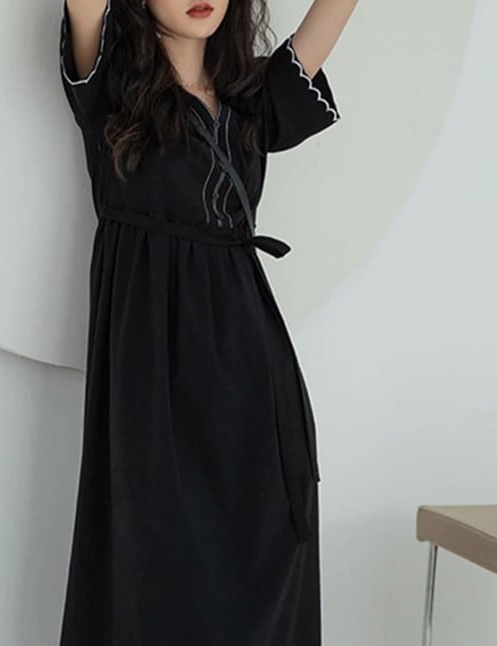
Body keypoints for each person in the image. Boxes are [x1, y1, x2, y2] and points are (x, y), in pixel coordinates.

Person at [57, 0, 355, 643]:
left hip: (254, 383)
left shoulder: (251, 100)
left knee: (262, 581)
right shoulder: (112, 93)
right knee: (154, 581)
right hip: (152, 386)